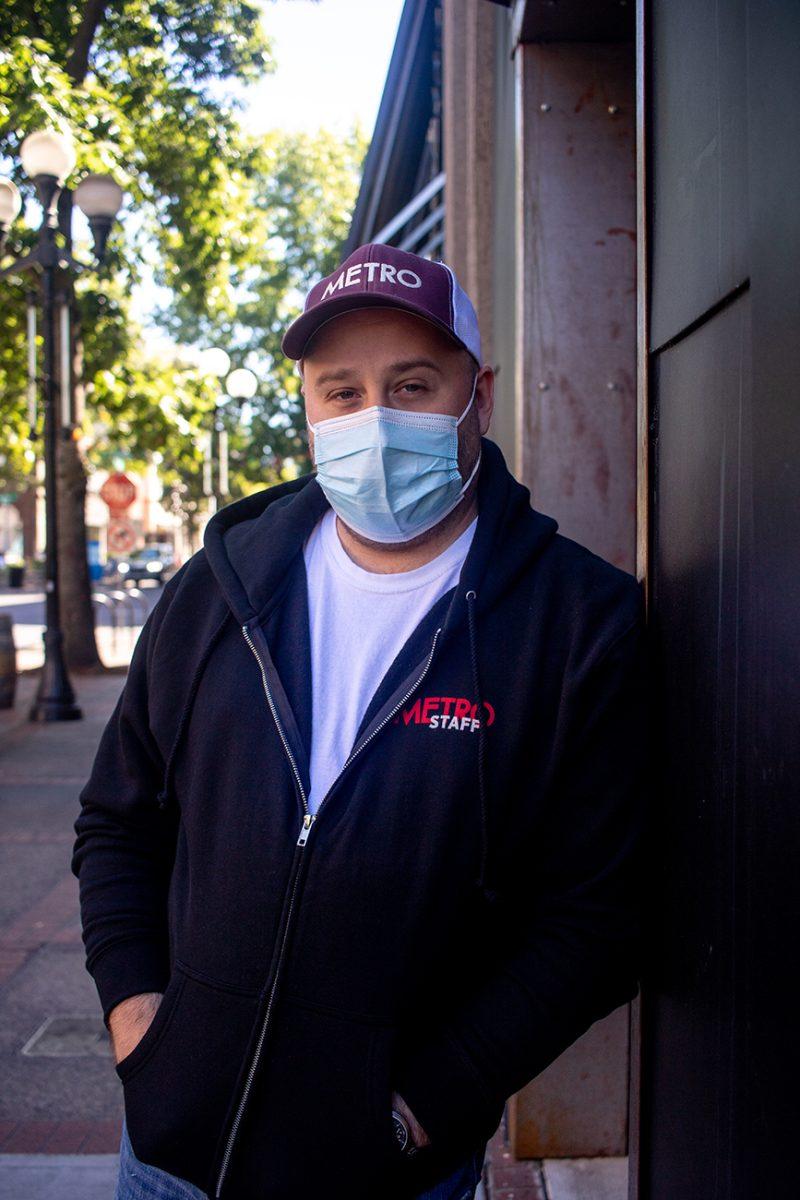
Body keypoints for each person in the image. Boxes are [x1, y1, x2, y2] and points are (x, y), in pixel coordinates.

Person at [72, 243, 649, 1200]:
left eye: (412, 384)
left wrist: (421, 1105)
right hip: (169, 1158)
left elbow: (600, 919)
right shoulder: (219, 591)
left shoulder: (580, 624)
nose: (374, 420)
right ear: (307, 407)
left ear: (481, 396)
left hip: (389, 1174)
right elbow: (118, 822)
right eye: (341, 393)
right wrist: (139, 1021)